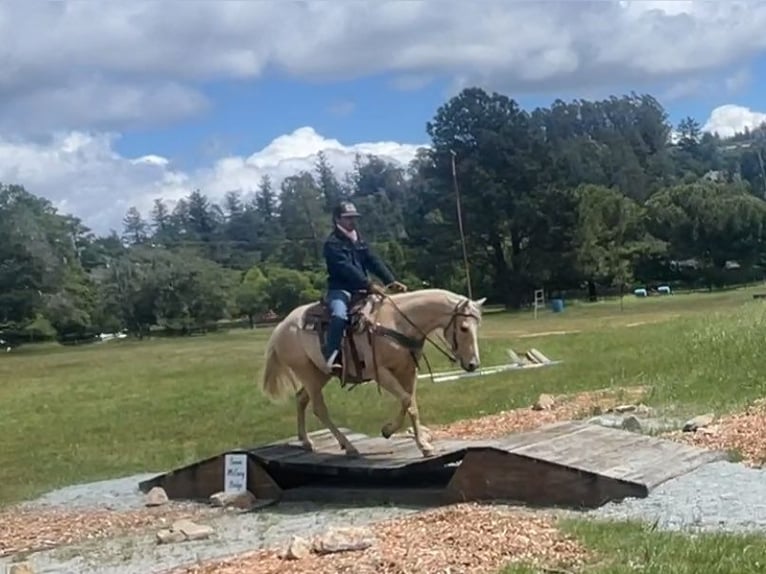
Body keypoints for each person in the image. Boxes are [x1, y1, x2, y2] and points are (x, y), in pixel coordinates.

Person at [321, 200, 407, 373]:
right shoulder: (332, 243)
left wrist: (390, 281)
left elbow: (373, 261)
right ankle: (333, 356)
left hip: (362, 290)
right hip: (340, 290)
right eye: (348, 218)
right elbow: (345, 268)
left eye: (354, 217)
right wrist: (369, 284)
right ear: (337, 219)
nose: (352, 221)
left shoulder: (358, 239)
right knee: (339, 315)